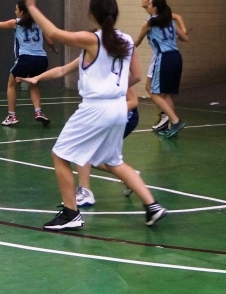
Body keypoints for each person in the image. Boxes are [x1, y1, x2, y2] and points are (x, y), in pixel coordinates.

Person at [23, 0, 167, 231]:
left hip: (96, 108)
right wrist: (114, 87)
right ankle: (152, 205)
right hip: (119, 108)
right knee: (113, 161)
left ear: (92, 14)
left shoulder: (93, 39)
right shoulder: (126, 40)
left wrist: (32, 7)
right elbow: (135, 75)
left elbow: (54, 33)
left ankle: (71, 213)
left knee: (60, 155)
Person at [23, 57, 141, 207]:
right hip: (103, 115)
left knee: (83, 150)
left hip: (123, 116)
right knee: (91, 155)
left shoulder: (113, 67)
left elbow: (133, 101)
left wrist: (106, 113)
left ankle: (86, 192)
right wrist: (37, 78)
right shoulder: (88, 56)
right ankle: (130, 175)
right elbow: (62, 70)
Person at [0, 0, 53, 126]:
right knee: (34, 85)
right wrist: (54, 49)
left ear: (22, 12)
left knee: (11, 85)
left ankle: (12, 116)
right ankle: (38, 112)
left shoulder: (17, 23)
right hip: (41, 59)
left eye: (16, 9)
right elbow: (49, 41)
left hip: (25, 59)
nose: (15, 11)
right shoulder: (39, 22)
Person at [135, 0, 188, 138]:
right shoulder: (169, 21)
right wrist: (183, 29)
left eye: (149, 3)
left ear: (154, 8)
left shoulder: (149, 23)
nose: (147, 5)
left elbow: (136, 42)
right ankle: (172, 126)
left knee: (154, 93)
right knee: (165, 94)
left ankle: (175, 121)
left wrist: (119, 50)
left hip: (164, 58)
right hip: (176, 57)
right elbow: (185, 38)